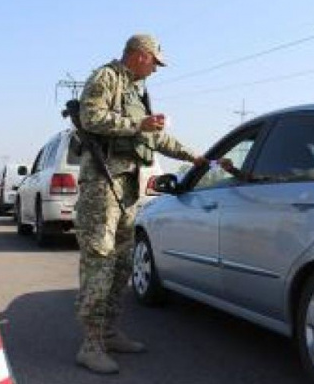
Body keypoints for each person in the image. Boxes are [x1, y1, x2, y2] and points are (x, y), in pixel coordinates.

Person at [73, 34, 206, 374]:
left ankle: (110, 332)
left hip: (128, 188)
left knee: (122, 264)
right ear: (139, 55)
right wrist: (137, 124)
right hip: (103, 185)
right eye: (155, 62)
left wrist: (195, 157)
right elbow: (90, 117)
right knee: (99, 264)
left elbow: (155, 137)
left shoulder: (136, 91)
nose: (157, 70)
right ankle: (90, 346)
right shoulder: (107, 77)